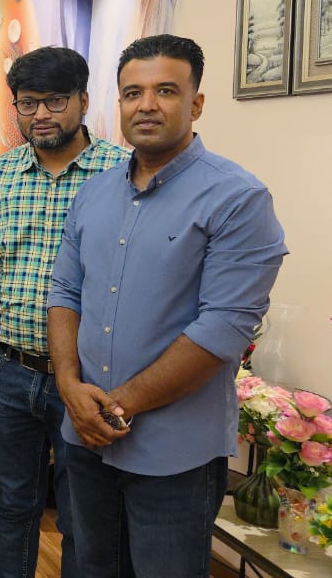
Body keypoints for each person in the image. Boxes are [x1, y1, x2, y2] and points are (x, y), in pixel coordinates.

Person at [48, 34, 286, 577]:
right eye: (133, 93)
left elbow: (222, 330)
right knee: (90, 568)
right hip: (85, 438)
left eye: (166, 91)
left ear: (196, 104)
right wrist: (67, 385)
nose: (147, 105)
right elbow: (64, 293)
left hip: (174, 453)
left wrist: (115, 406)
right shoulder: (93, 193)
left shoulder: (238, 198)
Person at [0, 46, 128, 578]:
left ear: (83, 101)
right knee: (14, 504)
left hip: (89, 378)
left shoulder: (122, 172)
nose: (41, 114)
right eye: (28, 103)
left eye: (55, 101)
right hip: (9, 372)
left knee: (82, 512)